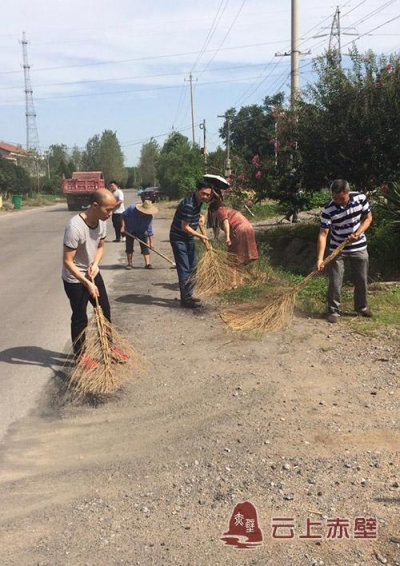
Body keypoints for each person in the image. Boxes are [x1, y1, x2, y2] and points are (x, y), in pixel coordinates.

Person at [62, 189, 128, 368]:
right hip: (75, 278)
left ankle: (108, 347)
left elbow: (100, 247)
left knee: (105, 310)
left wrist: (96, 264)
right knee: (80, 316)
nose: (111, 213)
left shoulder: (102, 221)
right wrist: (87, 284)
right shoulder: (74, 227)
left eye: (112, 209)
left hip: (92, 272)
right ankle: (80, 355)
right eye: (108, 209)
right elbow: (68, 262)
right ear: (95, 206)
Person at [316, 179, 373, 324]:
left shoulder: (360, 199)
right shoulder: (327, 210)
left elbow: (368, 218)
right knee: (335, 280)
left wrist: (358, 233)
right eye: (335, 198)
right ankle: (334, 311)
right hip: (337, 249)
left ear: (348, 193)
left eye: (341, 198)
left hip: (359, 247)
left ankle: (361, 307)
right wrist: (320, 259)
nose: (338, 201)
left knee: (361, 278)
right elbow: (323, 234)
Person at [169, 181, 212, 308]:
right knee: (184, 269)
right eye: (203, 193)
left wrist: (201, 217)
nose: (205, 196)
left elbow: (198, 214)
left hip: (188, 238)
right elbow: (185, 227)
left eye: (207, 195)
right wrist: (201, 236)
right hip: (179, 238)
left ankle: (189, 294)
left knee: (193, 267)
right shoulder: (188, 204)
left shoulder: (199, 202)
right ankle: (185, 299)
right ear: (196, 191)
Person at [209, 199, 259, 265]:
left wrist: (227, 238)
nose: (213, 215)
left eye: (212, 213)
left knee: (234, 254)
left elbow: (225, 222)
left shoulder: (220, 211)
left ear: (213, 210)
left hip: (240, 229)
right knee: (245, 254)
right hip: (249, 227)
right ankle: (240, 270)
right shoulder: (228, 209)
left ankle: (234, 270)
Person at [121, 199, 158, 270]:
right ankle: (129, 263)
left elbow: (150, 231)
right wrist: (123, 226)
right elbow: (123, 216)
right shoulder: (132, 208)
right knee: (129, 247)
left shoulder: (149, 217)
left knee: (145, 247)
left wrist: (151, 243)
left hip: (141, 231)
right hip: (129, 229)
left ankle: (147, 264)